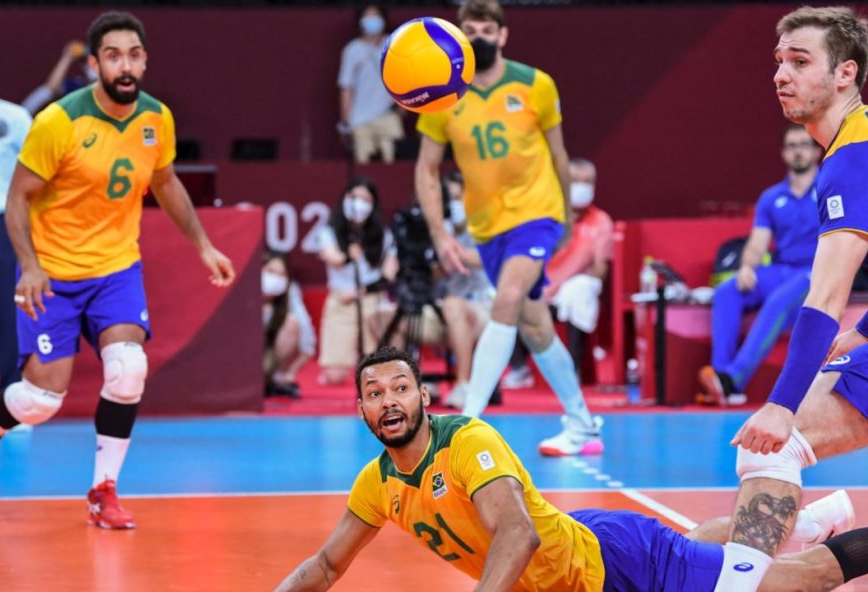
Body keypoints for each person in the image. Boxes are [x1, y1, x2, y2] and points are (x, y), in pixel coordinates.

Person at [276, 346, 868, 592]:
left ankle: (818, 539)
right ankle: (809, 520)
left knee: (788, 585)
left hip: (616, 565)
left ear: (424, 397)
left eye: (400, 388)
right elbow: (327, 564)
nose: (388, 402)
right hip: (577, 558)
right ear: (359, 410)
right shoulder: (377, 484)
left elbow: (517, 533)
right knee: (698, 549)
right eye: (374, 394)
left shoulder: (466, 442)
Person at [0, 12, 235, 528]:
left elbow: (165, 183)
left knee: (128, 370)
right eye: (114, 55)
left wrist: (204, 245)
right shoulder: (59, 121)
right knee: (38, 401)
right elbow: (16, 200)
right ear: (96, 63)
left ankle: (104, 491)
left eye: (134, 55)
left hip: (115, 269)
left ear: (144, 59)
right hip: (53, 272)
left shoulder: (155, 119)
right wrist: (30, 267)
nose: (125, 65)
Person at [718, 6, 868, 590]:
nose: (781, 74)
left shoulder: (854, 156)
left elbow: (826, 295)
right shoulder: (851, 147)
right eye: (779, 61)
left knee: (774, 441)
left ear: (845, 74)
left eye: (800, 61)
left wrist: (781, 403)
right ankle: (806, 532)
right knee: (769, 454)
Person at [414, 0, 601, 457]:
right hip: (486, 226)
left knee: (508, 298)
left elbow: (559, 154)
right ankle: (582, 425)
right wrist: (440, 233)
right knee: (534, 325)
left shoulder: (536, 85)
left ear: (502, 36)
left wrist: (566, 215)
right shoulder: (443, 96)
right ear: (458, 39)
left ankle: (466, 424)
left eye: (486, 28)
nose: (478, 36)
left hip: (536, 214)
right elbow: (426, 170)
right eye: (469, 29)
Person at [698, 124, 821, 406]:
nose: (798, 151)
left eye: (804, 145)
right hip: (784, 269)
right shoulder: (771, 197)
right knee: (727, 290)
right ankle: (720, 378)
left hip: (816, 272)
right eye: (791, 146)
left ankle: (733, 378)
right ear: (783, 153)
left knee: (778, 300)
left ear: (816, 151)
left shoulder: (828, 186)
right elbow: (757, 242)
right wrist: (746, 268)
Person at [504, 158, 613, 389]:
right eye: (576, 181)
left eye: (587, 182)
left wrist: (565, 284)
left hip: (572, 288)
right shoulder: (546, 218)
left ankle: (572, 370)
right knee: (509, 291)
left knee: (578, 292)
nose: (582, 188)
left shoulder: (601, 221)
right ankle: (519, 369)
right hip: (542, 284)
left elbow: (600, 268)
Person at [317, 176, 397, 385]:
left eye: (365, 200)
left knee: (375, 373)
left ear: (373, 205)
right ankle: (341, 363)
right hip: (341, 301)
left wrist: (361, 291)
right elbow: (332, 257)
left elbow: (389, 274)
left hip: (372, 301)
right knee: (335, 377)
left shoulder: (384, 235)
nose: (359, 204)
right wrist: (348, 255)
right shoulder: (330, 231)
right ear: (344, 199)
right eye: (354, 198)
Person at [0, 51, 32, 400]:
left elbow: (36, 175)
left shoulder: (14, 118)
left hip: (2, 226)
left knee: (8, 312)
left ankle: (11, 397)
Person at [435, 171, 494, 409]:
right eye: (450, 199)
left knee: (453, 305)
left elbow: (487, 259)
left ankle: (463, 384)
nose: (455, 204)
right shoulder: (439, 230)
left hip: (481, 304)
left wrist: (451, 252)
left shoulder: (485, 226)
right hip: (444, 305)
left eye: (460, 197)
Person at [337, 3, 404, 164]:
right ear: (361, 21)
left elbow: (404, 77)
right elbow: (346, 87)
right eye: (368, 16)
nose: (372, 20)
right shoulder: (352, 49)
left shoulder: (393, 44)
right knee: (363, 164)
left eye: (376, 15)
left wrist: (403, 106)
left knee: (394, 163)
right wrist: (346, 121)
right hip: (360, 119)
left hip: (387, 115)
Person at [262, 251, 315, 399]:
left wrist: (290, 372)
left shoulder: (289, 295)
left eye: (281, 274)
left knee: (291, 322)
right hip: (241, 361)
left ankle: (272, 379)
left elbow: (307, 342)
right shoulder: (241, 293)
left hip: (268, 361)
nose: (274, 278)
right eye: (270, 271)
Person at [22, 40, 96, 116]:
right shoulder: (79, 84)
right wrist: (67, 57)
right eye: (85, 62)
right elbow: (52, 88)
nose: (90, 66)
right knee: (43, 93)